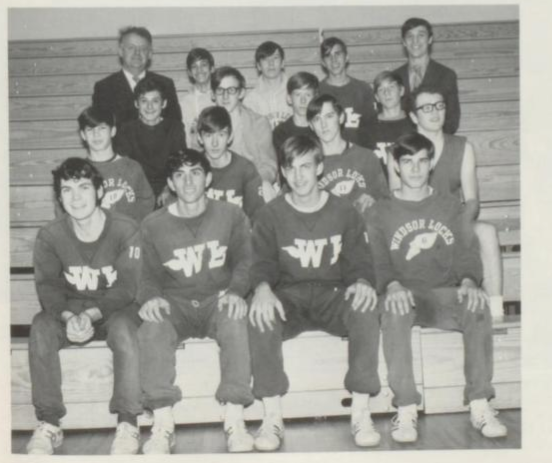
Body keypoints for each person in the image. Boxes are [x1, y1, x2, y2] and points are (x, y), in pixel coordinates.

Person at [366, 132, 507, 443]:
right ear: (396, 166)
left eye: (422, 161)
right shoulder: (379, 211)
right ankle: (405, 408)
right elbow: (377, 260)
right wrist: (391, 285)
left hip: (443, 293)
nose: (415, 168)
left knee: (477, 304)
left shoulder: (450, 206)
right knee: (394, 309)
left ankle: (480, 403)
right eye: (407, 161)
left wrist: (469, 280)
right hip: (403, 293)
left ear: (431, 164)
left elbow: (466, 254)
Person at [248, 134, 381, 451]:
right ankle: (272, 415)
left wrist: (363, 281)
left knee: (365, 306)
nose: (298, 176)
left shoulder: (344, 211)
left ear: (320, 168)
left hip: (332, 294)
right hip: (289, 297)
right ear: (282, 172)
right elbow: (262, 263)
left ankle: (361, 410)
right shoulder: (270, 214)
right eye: (291, 168)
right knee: (260, 313)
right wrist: (262, 288)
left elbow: (360, 262)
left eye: (306, 166)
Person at [137, 149, 255, 454]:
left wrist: (236, 291)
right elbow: (147, 275)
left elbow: (245, 261)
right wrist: (150, 297)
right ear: (170, 183)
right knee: (152, 327)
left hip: (217, 298)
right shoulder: (152, 224)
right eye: (180, 175)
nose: (188, 182)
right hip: (175, 303)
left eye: (195, 173)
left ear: (209, 178)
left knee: (235, 317)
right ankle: (162, 423)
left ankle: (234, 417)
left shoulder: (231, 215)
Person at [26, 158, 143, 455]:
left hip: (115, 309)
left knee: (125, 328)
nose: (75, 197)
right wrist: (69, 317)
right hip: (72, 312)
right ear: (59, 198)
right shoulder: (49, 236)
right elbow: (48, 289)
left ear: (100, 191)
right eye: (67, 190)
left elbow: (127, 288)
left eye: (83, 187)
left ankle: (128, 421)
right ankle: (49, 422)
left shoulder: (126, 229)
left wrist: (91, 315)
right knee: (41, 325)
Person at [389, 86, 504, 319]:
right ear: (413, 116)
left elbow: (472, 200)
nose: (435, 112)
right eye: (426, 108)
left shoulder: (463, 147)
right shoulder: (398, 151)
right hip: (415, 224)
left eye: (439, 106)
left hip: (453, 221)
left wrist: (460, 224)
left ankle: (496, 310)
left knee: (487, 231)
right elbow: (395, 199)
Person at [307, 94, 388, 214]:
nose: (323, 125)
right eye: (317, 119)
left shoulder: (366, 157)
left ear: (341, 118)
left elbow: (386, 201)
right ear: (311, 125)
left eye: (329, 116)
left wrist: (373, 201)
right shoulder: (307, 163)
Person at [92, 26, 182, 129]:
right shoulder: (104, 88)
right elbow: (100, 127)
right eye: (131, 48)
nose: (137, 53)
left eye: (143, 49)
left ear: (150, 54)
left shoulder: (165, 84)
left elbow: (176, 126)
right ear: (120, 51)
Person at [76, 106, 155, 222]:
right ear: (83, 135)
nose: (96, 134)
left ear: (113, 131)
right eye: (90, 130)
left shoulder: (132, 167)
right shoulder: (78, 172)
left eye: (102, 128)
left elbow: (147, 203)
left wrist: (131, 228)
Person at [116, 76, 187, 205]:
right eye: (144, 101)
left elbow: (179, 164)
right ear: (136, 104)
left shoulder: (175, 128)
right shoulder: (126, 130)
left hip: (168, 187)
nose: (149, 106)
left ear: (163, 104)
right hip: (137, 189)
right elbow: (124, 168)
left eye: (155, 101)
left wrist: (169, 188)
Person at [212, 66, 278, 201]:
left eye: (231, 90)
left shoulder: (259, 123)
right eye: (220, 90)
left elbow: (268, 164)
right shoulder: (205, 123)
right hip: (217, 186)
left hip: (251, 183)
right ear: (213, 94)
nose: (225, 96)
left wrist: (261, 182)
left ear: (241, 93)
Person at [197, 106, 265, 221]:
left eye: (221, 135)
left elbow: (257, 218)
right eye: (208, 135)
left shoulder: (245, 169)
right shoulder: (193, 169)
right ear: (199, 137)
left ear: (230, 136)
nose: (215, 143)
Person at [393, 17, 460, 134]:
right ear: (403, 42)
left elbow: (452, 120)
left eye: (421, 35)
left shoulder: (446, 75)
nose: (415, 41)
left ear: (430, 39)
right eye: (410, 36)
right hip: (404, 141)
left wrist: (433, 140)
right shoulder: (394, 77)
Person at [318, 36, 377, 146]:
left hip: (359, 153)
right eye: (328, 55)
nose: (334, 60)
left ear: (347, 57)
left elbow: (372, 130)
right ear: (323, 62)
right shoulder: (317, 91)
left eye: (338, 54)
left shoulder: (363, 89)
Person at [358, 71, 415, 176]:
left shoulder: (414, 122)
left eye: (391, 87)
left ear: (401, 90)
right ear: (377, 97)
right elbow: (363, 163)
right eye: (381, 89)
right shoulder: (367, 126)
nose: (386, 93)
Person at [244, 41, 292, 129]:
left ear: (282, 63)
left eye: (275, 58)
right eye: (265, 59)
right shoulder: (250, 100)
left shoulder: (296, 93)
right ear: (258, 66)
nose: (271, 63)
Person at [272, 71, 319, 159]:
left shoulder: (321, 129)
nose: (303, 100)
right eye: (298, 95)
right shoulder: (281, 132)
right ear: (289, 98)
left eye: (307, 95)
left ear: (315, 98)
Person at [180, 47, 215, 150]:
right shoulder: (184, 103)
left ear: (212, 68)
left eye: (203, 65)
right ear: (189, 72)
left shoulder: (222, 96)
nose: (199, 70)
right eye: (194, 66)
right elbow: (185, 139)